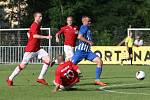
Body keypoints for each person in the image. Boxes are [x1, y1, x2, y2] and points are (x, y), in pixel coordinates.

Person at [7, 12, 53, 86]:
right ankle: (10, 78)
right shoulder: (34, 25)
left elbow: (28, 33)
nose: (41, 18)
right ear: (35, 17)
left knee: (48, 60)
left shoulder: (37, 25)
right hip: (30, 49)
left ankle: (40, 77)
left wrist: (30, 37)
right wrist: (46, 37)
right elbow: (34, 36)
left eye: (41, 16)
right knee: (22, 65)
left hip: (37, 49)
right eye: (39, 16)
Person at [71, 16, 107, 86]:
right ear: (84, 21)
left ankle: (97, 80)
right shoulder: (84, 27)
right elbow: (79, 37)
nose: (90, 22)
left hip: (87, 52)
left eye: (90, 21)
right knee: (70, 65)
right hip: (80, 51)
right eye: (88, 21)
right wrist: (88, 41)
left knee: (99, 61)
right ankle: (63, 80)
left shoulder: (87, 28)